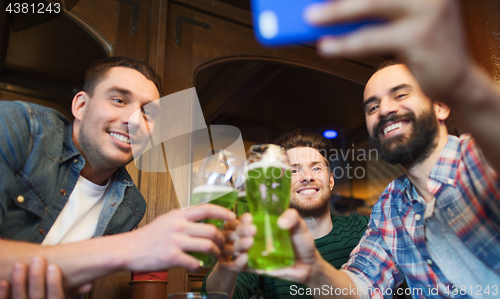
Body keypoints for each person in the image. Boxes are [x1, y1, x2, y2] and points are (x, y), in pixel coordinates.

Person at [230, 0, 500, 298]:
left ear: (440, 104)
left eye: (400, 94)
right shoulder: (391, 205)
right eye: (372, 106)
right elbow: (362, 286)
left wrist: (461, 80)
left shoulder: (479, 158)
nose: (384, 109)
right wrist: (313, 268)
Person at [0, 56, 235, 298]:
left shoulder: (130, 205)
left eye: (147, 114)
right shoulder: (19, 126)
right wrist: (132, 247)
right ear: (81, 106)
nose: (133, 121)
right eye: (119, 100)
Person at [202, 129, 369, 299]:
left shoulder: (364, 229)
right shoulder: (264, 242)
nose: (307, 177)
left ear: (331, 181)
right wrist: (226, 262)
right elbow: (216, 297)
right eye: (293, 171)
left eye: (316, 168)